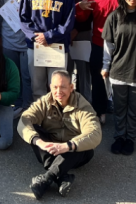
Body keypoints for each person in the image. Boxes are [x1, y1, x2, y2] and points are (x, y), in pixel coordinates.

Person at [18, 70, 102, 199]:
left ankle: (47, 178)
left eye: (63, 87)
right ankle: (62, 178)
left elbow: (95, 132)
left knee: (83, 145)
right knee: (33, 130)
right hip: (51, 147)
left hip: (73, 150)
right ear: (50, 87)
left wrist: (68, 146)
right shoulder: (45, 101)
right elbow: (25, 119)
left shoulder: (82, 105)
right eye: (55, 87)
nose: (58, 91)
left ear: (71, 87)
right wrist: (40, 143)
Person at [101, 0, 136, 156]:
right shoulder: (114, 17)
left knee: (135, 109)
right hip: (118, 70)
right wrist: (105, 66)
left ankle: (130, 138)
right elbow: (108, 45)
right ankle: (119, 137)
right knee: (119, 107)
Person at [76, 0, 126, 117]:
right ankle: (100, 111)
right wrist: (80, 8)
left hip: (124, 44)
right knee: (98, 79)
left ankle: (122, 112)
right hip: (99, 43)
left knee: (123, 81)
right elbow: (83, 18)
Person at [21, 0, 76, 101]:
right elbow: (23, 20)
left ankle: (55, 117)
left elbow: (68, 24)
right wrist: (35, 37)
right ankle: (39, 117)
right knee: (37, 86)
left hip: (57, 46)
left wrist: (49, 36)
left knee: (58, 85)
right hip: (36, 46)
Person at [0, 0, 38, 112]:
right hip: (8, 37)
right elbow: (0, 10)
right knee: (12, 75)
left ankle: (28, 106)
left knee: (28, 76)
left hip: (29, 37)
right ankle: (15, 104)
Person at [59, 0, 99, 112]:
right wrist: (76, 8)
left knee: (83, 74)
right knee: (65, 73)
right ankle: (65, 108)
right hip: (63, 34)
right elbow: (58, 8)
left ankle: (85, 109)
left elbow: (93, 8)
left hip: (83, 33)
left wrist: (76, 29)